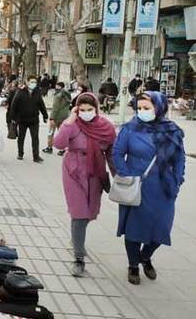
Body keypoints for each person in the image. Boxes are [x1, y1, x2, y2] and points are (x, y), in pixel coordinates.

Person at [112, 91, 185, 285]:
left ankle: (145, 256)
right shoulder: (130, 128)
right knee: (134, 228)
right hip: (138, 185)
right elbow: (118, 153)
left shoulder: (172, 130)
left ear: (159, 108)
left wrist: (178, 180)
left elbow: (180, 158)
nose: (142, 111)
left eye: (147, 108)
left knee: (161, 229)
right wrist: (127, 175)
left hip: (164, 188)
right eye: (139, 108)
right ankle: (133, 265)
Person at [53, 93, 116, 277]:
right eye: (82, 110)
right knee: (79, 213)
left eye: (90, 110)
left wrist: (118, 178)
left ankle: (76, 238)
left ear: (96, 109)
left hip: (95, 174)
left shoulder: (106, 128)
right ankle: (79, 258)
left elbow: (112, 155)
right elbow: (58, 143)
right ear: (76, 109)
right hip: (73, 171)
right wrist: (71, 119)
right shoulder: (73, 125)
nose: (86, 113)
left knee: (89, 212)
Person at [10, 76, 49, 163]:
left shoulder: (37, 92)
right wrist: (13, 118)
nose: (33, 84)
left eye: (35, 82)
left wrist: (45, 116)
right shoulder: (20, 92)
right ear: (27, 82)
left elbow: (41, 104)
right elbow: (14, 105)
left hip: (34, 120)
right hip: (22, 120)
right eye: (31, 82)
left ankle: (36, 156)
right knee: (21, 138)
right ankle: (20, 153)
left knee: (35, 138)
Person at [44, 81, 72, 155]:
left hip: (56, 117)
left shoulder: (58, 96)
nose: (56, 87)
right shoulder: (68, 94)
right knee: (63, 133)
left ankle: (49, 147)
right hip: (65, 116)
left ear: (59, 87)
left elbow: (55, 108)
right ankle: (63, 149)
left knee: (51, 132)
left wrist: (52, 118)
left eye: (57, 86)